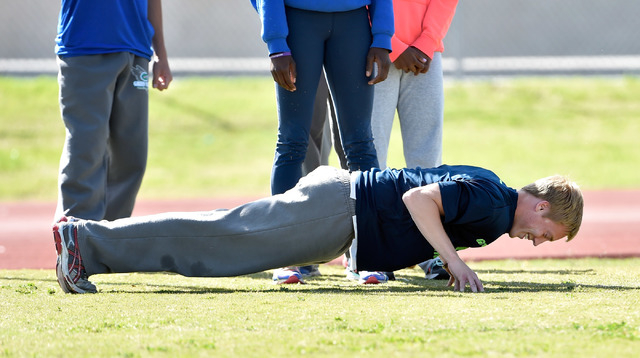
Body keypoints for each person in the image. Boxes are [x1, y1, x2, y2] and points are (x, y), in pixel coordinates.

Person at [52, 165, 584, 294]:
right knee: (215, 239)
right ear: (542, 208)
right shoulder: (494, 201)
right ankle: (85, 240)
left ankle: (88, 246)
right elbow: (417, 198)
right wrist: (455, 261)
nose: (539, 243)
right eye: (549, 233)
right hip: (338, 206)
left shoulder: (494, 209)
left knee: (218, 248)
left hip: (340, 215)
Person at [249, 0, 393, 195]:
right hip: (298, 23)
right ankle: (284, 224)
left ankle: (368, 223)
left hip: (354, 24)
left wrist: (383, 37)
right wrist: (276, 43)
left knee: (361, 141)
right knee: (292, 140)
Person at [54, 0, 172, 222]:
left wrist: (161, 55)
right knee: (87, 150)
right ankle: (78, 242)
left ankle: (109, 240)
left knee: (131, 157)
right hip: (86, 44)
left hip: (136, 49)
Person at [371, 0, 457, 170]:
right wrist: (391, 44)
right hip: (376, 51)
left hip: (424, 56)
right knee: (371, 156)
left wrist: (427, 43)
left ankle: (424, 198)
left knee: (427, 161)